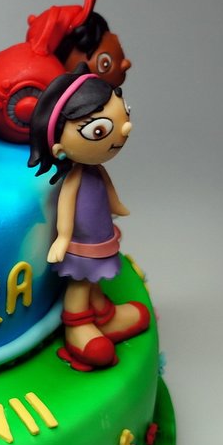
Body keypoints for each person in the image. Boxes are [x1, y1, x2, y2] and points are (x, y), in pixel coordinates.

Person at [28, 68, 149, 371]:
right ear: (59, 149)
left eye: (124, 113)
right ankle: (77, 325)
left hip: (101, 238)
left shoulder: (96, 171)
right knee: (80, 282)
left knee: (95, 280)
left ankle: (104, 315)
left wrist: (117, 206)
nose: (124, 129)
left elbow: (108, 191)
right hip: (81, 244)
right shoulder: (74, 179)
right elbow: (66, 208)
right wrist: (62, 238)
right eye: (98, 130)